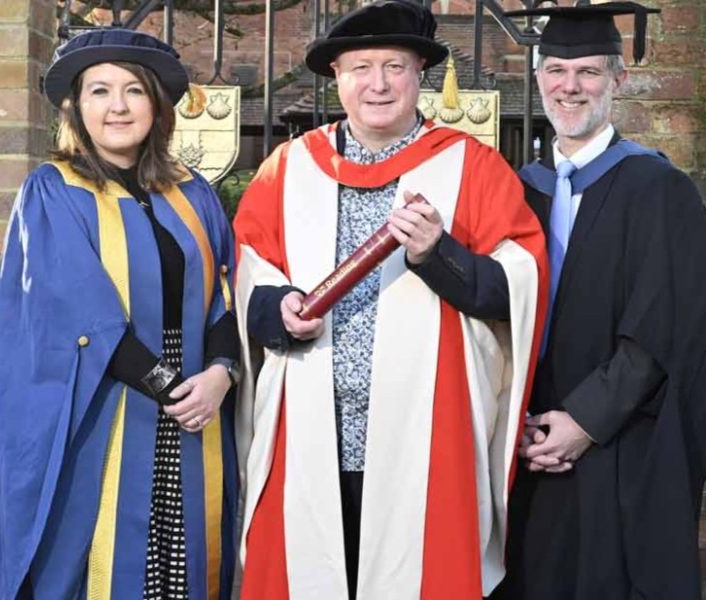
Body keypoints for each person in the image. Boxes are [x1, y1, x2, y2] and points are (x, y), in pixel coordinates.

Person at [230, 1, 549, 598]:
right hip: (310, 428)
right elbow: (247, 275)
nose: (377, 84)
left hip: (428, 432)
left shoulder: (473, 166)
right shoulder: (288, 169)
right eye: (361, 68)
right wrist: (277, 309)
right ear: (337, 78)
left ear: (418, 74)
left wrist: (438, 254)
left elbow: (518, 286)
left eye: (394, 67)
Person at [0, 29, 241, 600]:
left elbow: (225, 293)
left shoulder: (192, 191)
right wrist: (174, 390)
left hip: (194, 406)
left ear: (156, 106)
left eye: (133, 91)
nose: (118, 106)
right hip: (106, 407)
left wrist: (221, 373)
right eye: (100, 91)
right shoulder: (54, 191)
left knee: (181, 563)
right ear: (76, 107)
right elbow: (81, 315)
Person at [492, 3, 706, 599]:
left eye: (588, 72)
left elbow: (663, 327)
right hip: (522, 448)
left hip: (616, 447)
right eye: (556, 70)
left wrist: (584, 422)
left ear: (618, 80)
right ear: (538, 78)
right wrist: (510, 419)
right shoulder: (516, 192)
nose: (570, 86)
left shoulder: (659, 190)